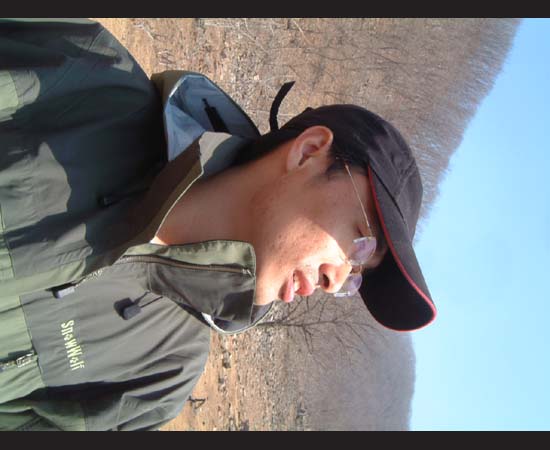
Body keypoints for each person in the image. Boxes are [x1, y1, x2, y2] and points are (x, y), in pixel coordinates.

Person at [0, 19, 436, 431]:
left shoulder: (160, 376)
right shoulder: (84, 80)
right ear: (308, 151)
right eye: (361, 240)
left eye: (356, 275)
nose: (334, 280)